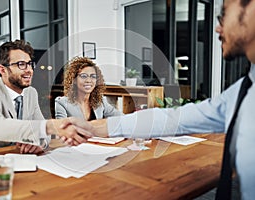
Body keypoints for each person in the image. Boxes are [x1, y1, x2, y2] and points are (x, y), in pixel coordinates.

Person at [62, 0, 255, 199]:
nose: (217, 27)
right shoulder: (241, 91)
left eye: (223, 14)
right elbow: (172, 119)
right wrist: (92, 128)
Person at [0, 40, 91, 154]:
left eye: (30, 64)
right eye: (21, 64)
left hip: (12, 157)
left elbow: (44, 135)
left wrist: (39, 143)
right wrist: (51, 125)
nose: (29, 70)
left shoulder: (31, 93)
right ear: (2, 70)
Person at [55, 57, 122, 120]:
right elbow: (61, 130)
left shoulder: (101, 102)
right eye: (83, 76)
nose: (88, 80)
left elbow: (121, 118)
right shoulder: (61, 103)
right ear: (74, 80)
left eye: (93, 76)